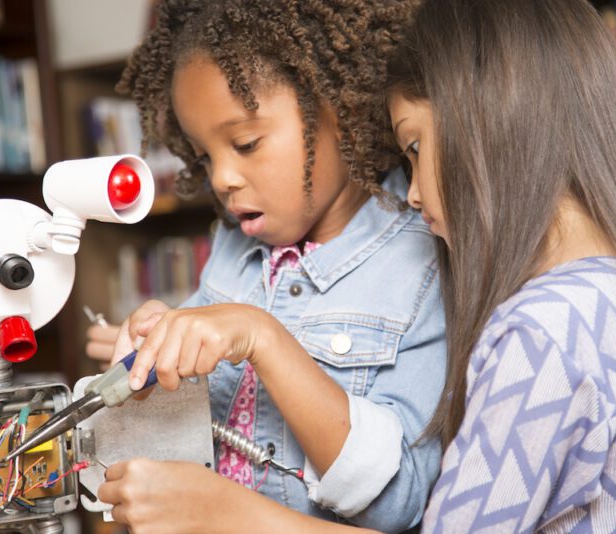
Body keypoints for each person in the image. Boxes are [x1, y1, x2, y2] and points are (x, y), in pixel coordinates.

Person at [98, 0, 616, 532]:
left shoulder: (539, 333)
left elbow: (411, 498)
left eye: (416, 148)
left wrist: (233, 514)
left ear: (496, 120)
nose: (414, 190)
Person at [96, 1, 447, 532]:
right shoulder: (233, 250)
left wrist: (262, 336)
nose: (221, 179)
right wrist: (151, 355)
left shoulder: (420, 259)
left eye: (245, 144)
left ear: (340, 110)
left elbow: (397, 503)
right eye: (205, 156)